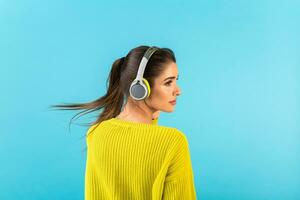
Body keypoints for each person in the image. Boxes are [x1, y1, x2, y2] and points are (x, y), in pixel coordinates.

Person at [50, 45, 197, 199]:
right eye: (168, 82)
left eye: (176, 81)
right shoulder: (173, 142)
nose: (178, 90)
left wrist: (151, 116)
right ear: (141, 88)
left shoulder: (96, 132)